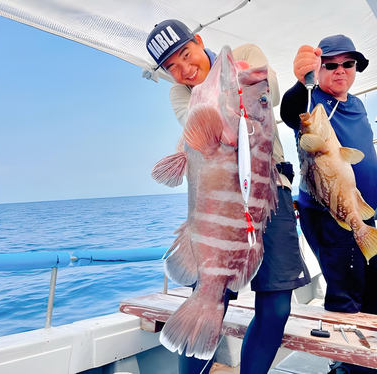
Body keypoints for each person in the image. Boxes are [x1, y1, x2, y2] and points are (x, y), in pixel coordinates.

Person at [145, 20, 310, 374]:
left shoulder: (246, 55)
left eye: (185, 55)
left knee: (278, 306)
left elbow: (270, 95)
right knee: (206, 293)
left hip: (271, 191)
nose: (184, 70)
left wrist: (248, 86)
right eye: (171, 67)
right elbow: (203, 128)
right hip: (219, 205)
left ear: (198, 42)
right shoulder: (180, 93)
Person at [280, 35, 377, 315]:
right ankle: (345, 359)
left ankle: (369, 352)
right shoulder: (311, 100)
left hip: (358, 210)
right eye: (329, 65)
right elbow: (291, 111)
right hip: (328, 212)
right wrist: (302, 80)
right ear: (318, 70)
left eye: (347, 63)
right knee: (346, 292)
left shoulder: (357, 104)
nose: (340, 69)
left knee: (372, 283)